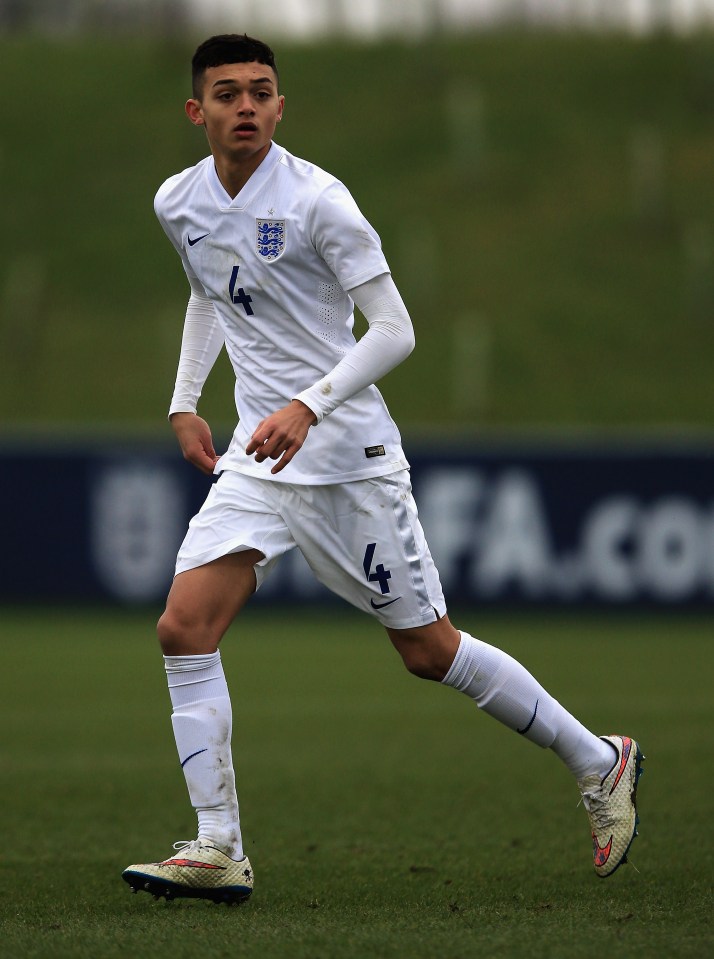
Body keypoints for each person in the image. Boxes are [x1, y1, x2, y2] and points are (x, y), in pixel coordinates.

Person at [122, 34, 644, 905]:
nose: (245, 106)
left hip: (348, 460)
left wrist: (308, 403)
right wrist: (185, 397)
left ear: (282, 106)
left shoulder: (322, 200)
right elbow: (211, 291)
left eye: (261, 92)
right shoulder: (178, 200)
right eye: (226, 94)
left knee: (427, 650)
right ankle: (218, 845)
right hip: (258, 460)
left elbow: (396, 329)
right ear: (197, 111)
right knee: (183, 626)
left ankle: (601, 758)